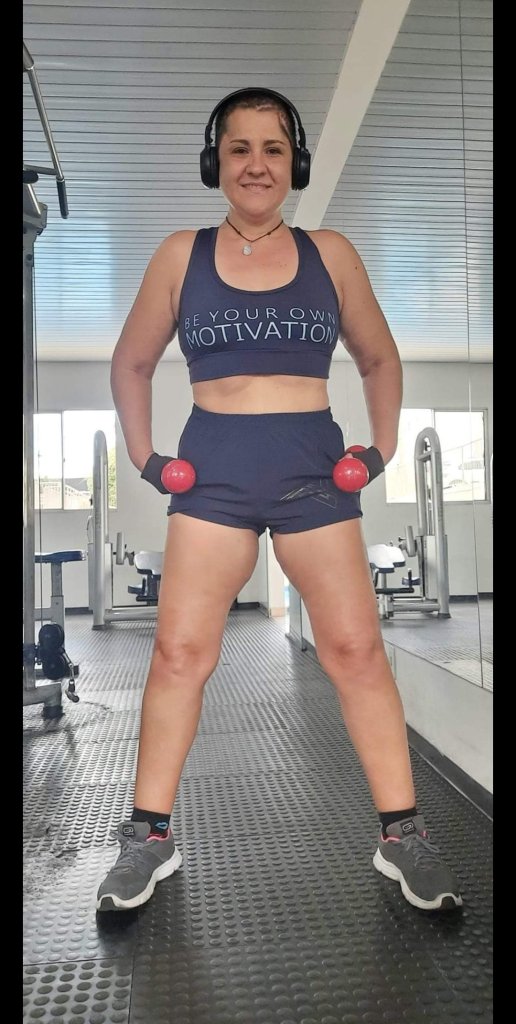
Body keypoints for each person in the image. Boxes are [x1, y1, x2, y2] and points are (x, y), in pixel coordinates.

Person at [96, 87, 462, 914]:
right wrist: (148, 460)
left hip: (311, 470)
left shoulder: (331, 253)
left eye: (272, 148)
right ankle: (148, 839)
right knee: (180, 654)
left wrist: (382, 448)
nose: (256, 164)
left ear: (294, 162)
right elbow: (131, 363)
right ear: (215, 162)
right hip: (213, 472)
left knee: (355, 651)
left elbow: (379, 358)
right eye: (239, 148)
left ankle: (402, 836)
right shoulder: (179, 254)